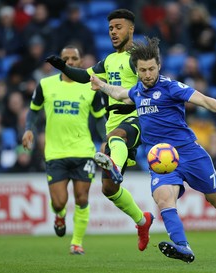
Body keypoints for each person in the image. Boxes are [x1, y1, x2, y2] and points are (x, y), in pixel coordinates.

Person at [90, 36, 216, 263]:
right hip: (160, 159)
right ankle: (183, 247)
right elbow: (119, 93)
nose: (147, 74)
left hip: (189, 153)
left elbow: (203, 100)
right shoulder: (137, 91)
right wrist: (101, 85)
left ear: (159, 66)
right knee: (163, 199)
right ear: (137, 69)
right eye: (143, 70)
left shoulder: (171, 87)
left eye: (151, 69)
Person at [45, 9, 154, 252]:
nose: (113, 32)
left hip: (137, 116)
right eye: (110, 28)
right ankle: (143, 220)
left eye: (118, 27)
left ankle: (114, 165)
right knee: (109, 189)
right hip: (114, 120)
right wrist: (62, 66)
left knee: (117, 139)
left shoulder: (139, 58)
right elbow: (85, 76)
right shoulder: (109, 60)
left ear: (131, 29)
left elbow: (152, 80)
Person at [21, 45, 107, 255]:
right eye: (65, 58)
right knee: (59, 202)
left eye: (74, 58)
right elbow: (33, 111)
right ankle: (59, 215)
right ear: (60, 61)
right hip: (55, 153)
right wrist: (28, 130)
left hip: (83, 151)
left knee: (82, 198)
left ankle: (76, 242)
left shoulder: (90, 86)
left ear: (80, 62)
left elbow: (99, 118)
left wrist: (106, 140)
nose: (69, 61)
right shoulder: (45, 84)